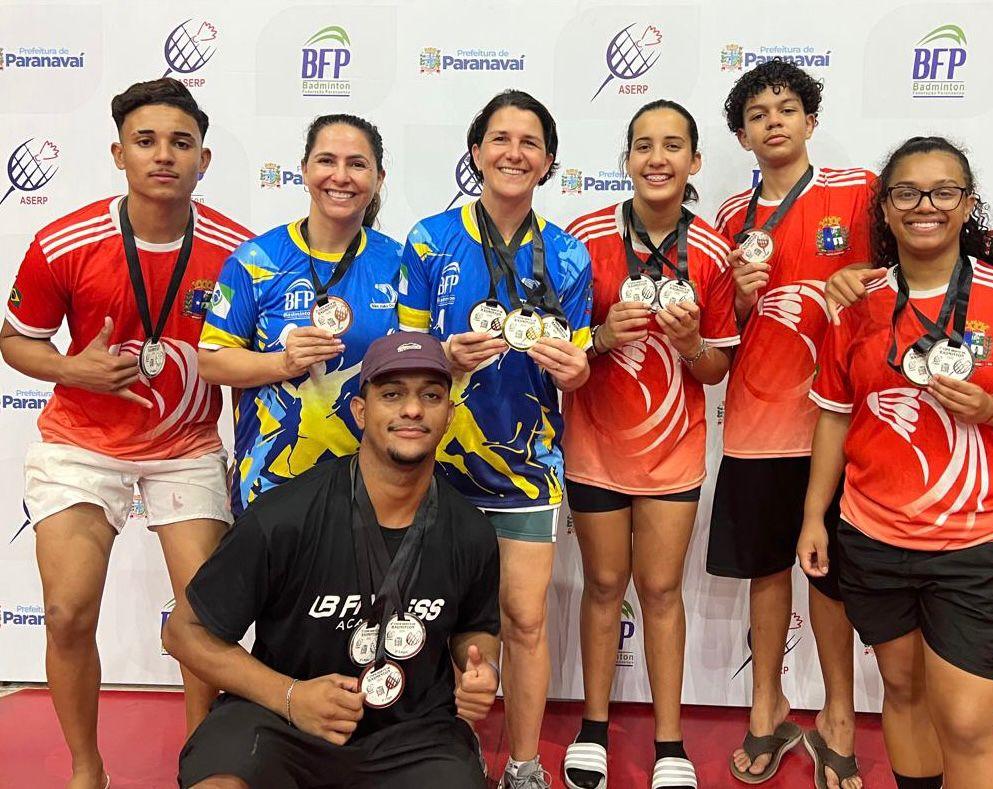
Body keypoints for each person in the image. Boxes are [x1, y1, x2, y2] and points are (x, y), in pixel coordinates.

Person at [799, 136, 993, 789]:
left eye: (943, 191)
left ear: (968, 204)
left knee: (966, 723)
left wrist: (991, 408)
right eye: (906, 192)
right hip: (873, 537)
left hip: (982, 545)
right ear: (885, 208)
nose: (924, 205)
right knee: (901, 692)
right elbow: (835, 414)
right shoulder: (856, 303)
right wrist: (814, 515)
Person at [0, 78, 252, 789]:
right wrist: (68, 368)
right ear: (119, 154)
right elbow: (15, 339)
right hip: (81, 442)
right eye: (145, 141)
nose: (163, 155)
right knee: (65, 612)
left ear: (203, 159)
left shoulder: (239, 251)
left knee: (203, 621)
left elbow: (247, 358)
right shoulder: (64, 241)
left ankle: (200, 763)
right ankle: (88, 769)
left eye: (180, 143)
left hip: (186, 447)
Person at [164, 331, 501, 788]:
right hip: (282, 723)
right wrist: (290, 696)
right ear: (360, 412)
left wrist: (482, 669)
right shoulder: (285, 516)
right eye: (392, 394)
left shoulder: (470, 531)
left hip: (414, 735)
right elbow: (183, 631)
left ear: (449, 415)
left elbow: (476, 628)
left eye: (431, 396)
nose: (413, 409)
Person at [397, 90, 591, 789]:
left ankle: (525, 763)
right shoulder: (429, 238)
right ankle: (441, 753)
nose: (514, 152)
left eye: (529, 142)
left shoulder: (567, 254)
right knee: (432, 620)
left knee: (524, 620)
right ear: (476, 151)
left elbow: (579, 364)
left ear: (548, 161)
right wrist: (443, 356)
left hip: (527, 469)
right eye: (500, 139)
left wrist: (574, 368)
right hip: (433, 466)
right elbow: (403, 354)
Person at [704, 59, 875, 787]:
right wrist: (740, 301)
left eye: (785, 108)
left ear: (810, 120)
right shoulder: (727, 220)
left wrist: (863, 279)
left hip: (842, 420)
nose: (772, 121)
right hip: (756, 422)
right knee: (767, 573)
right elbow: (720, 331)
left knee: (829, 577)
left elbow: (913, 274)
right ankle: (766, 707)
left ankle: (838, 715)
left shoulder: (860, 192)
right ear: (742, 137)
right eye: (757, 114)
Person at [560, 100, 738, 789]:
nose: (656, 158)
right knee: (604, 584)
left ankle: (669, 743)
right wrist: (604, 334)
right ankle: (593, 728)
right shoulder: (582, 238)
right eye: (643, 145)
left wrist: (690, 343)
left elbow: (716, 369)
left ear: (694, 161)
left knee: (661, 590)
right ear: (627, 158)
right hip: (596, 443)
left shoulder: (713, 250)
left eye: (672, 146)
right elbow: (560, 345)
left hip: (673, 450)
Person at [198, 114, 403, 515]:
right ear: (305, 170)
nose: (340, 176)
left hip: (373, 485)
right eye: (327, 161)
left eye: (357, 164)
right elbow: (211, 362)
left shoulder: (399, 262)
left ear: (379, 178)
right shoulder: (256, 260)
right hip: (270, 485)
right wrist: (283, 363)